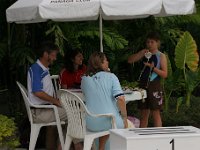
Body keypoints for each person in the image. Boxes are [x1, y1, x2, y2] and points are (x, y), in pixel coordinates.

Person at [81, 52, 128, 150]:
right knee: (127, 125)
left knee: (104, 127)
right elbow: (120, 99)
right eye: (106, 60)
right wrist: (124, 117)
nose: (108, 62)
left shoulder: (84, 79)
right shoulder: (111, 77)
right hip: (109, 121)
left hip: (90, 122)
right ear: (100, 63)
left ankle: (101, 148)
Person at [27, 41, 67, 150]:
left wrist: (55, 101)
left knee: (55, 125)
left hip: (46, 109)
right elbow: (37, 91)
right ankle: (67, 146)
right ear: (46, 54)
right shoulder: (37, 69)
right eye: (53, 55)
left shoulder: (42, 68)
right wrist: (55, 101)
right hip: (40, 112)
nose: (55, 58)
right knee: (74, 114)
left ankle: (59, 146)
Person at [127, 31, 167, 128]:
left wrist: (153, 68)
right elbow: (130, 60)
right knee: (143, 114)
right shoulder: (145, 53)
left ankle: (159, 136)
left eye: (152, 42)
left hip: (155, 85)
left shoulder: (161, 56)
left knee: (155, 114)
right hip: (143, 85)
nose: (149, 44)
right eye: (148, 42)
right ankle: (142, 138)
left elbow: (165, 74)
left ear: (157, 42)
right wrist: (140, 53)